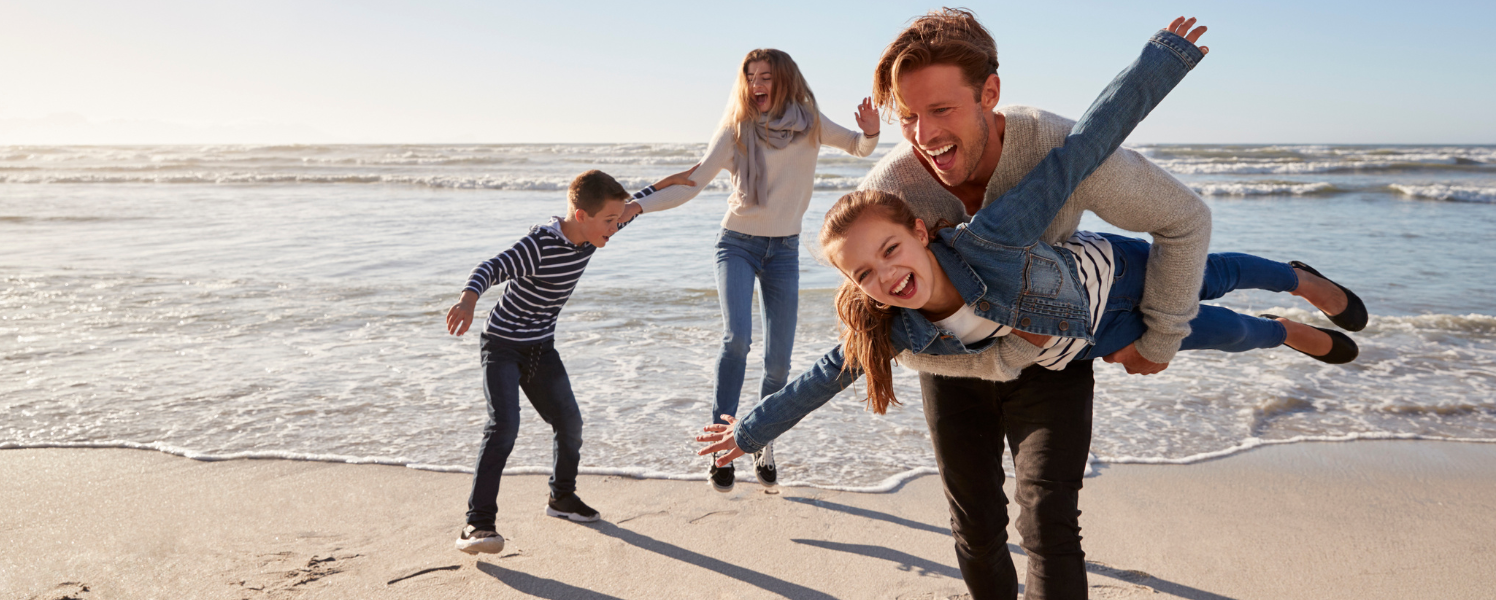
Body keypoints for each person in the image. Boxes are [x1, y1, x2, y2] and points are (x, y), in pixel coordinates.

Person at [699, 16, 1354, 600]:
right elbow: (829, 369)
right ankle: (1276, 331)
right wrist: (747, 434)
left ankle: (1292, 286)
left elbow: (1084, 153)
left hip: (1111, 288)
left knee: (1211, 287)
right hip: (1067, 344)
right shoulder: (892, 266)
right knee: (977, 527)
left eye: (941, 109)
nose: (924, 135)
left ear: (924, 230)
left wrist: (1162, 60)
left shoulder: (996, 228)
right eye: (908, 117)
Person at [620, 48, 882, 492]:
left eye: (766, 76)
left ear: (783, 80)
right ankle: (721, 447)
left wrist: (871, 132)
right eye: (751, 76)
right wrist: (636, 207)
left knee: (778, 363)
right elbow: (693, 183)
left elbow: (858, 147)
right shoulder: (737, 130)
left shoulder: (810, 122)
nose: (757, 84)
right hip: (736, 244)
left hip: (784, 252)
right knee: (736, 338)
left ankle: (762, 440)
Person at [444, 168, 693, 555]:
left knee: (569, 422)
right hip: (503, 346)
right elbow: (490, 268)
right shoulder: (539, 244)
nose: (616, 225)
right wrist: (468, 300)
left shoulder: (595, 231)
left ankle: (562, 499)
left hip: (541, 348)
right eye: (610, 220)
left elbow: (632, 206)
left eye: (616, 219)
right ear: (582, 216)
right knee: (505, 426)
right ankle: (477, 525)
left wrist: (666, 183)